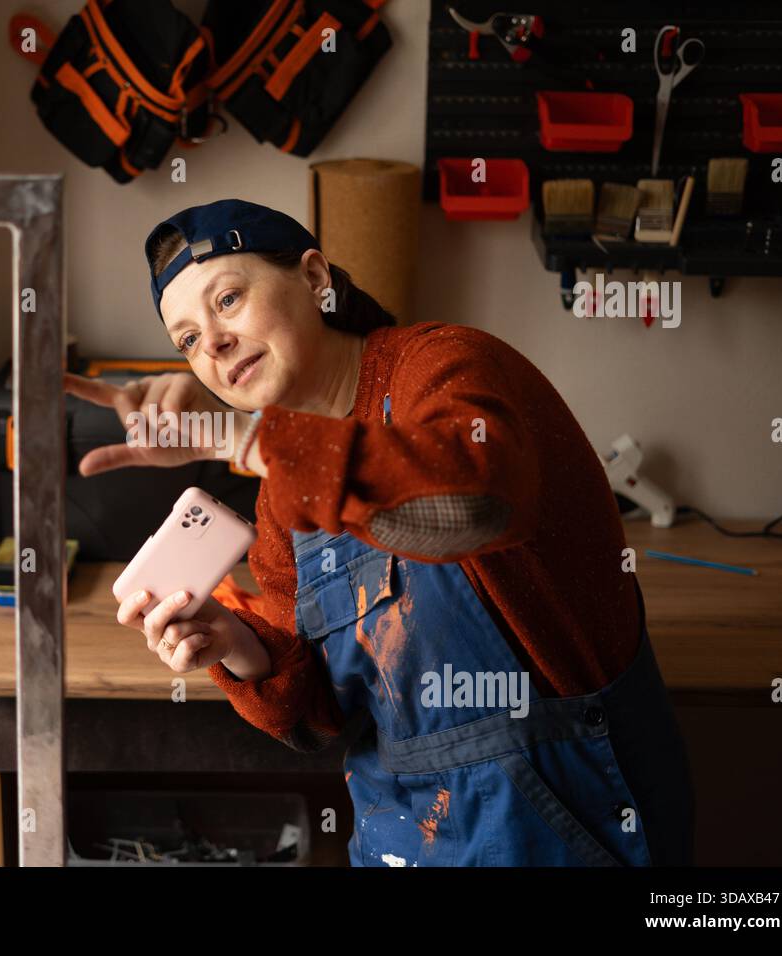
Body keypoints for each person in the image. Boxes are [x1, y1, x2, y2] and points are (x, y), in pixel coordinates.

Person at [63, 198, 694, 867]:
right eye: (187, 340)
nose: (211, 344)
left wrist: (238, 437)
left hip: (565, 823)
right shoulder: (280, 494)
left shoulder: (446, 365)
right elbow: (319, 712)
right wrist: (232, 643)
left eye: (228, 299)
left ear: (314, 279)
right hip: (406, 838)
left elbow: (471, 505)